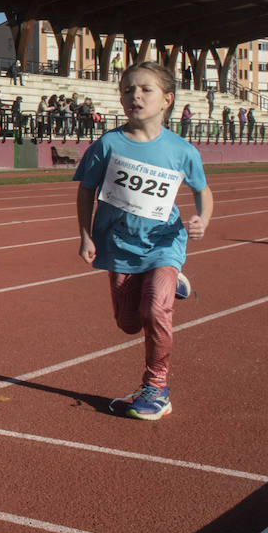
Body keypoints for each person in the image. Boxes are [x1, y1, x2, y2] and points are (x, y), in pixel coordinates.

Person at [75, 61, 213, 421]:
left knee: (154, 309)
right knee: (128, 322)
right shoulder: (107, 144)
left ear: (166, 99)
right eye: (126, 90)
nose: (134, 96)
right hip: (119, 245)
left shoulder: (182, 150)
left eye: (144, 90)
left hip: (163, 242)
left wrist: (202, 218)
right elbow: (86, 190)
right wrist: (86, 234)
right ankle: (167, 287)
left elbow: (203, 191)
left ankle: (156, 388)